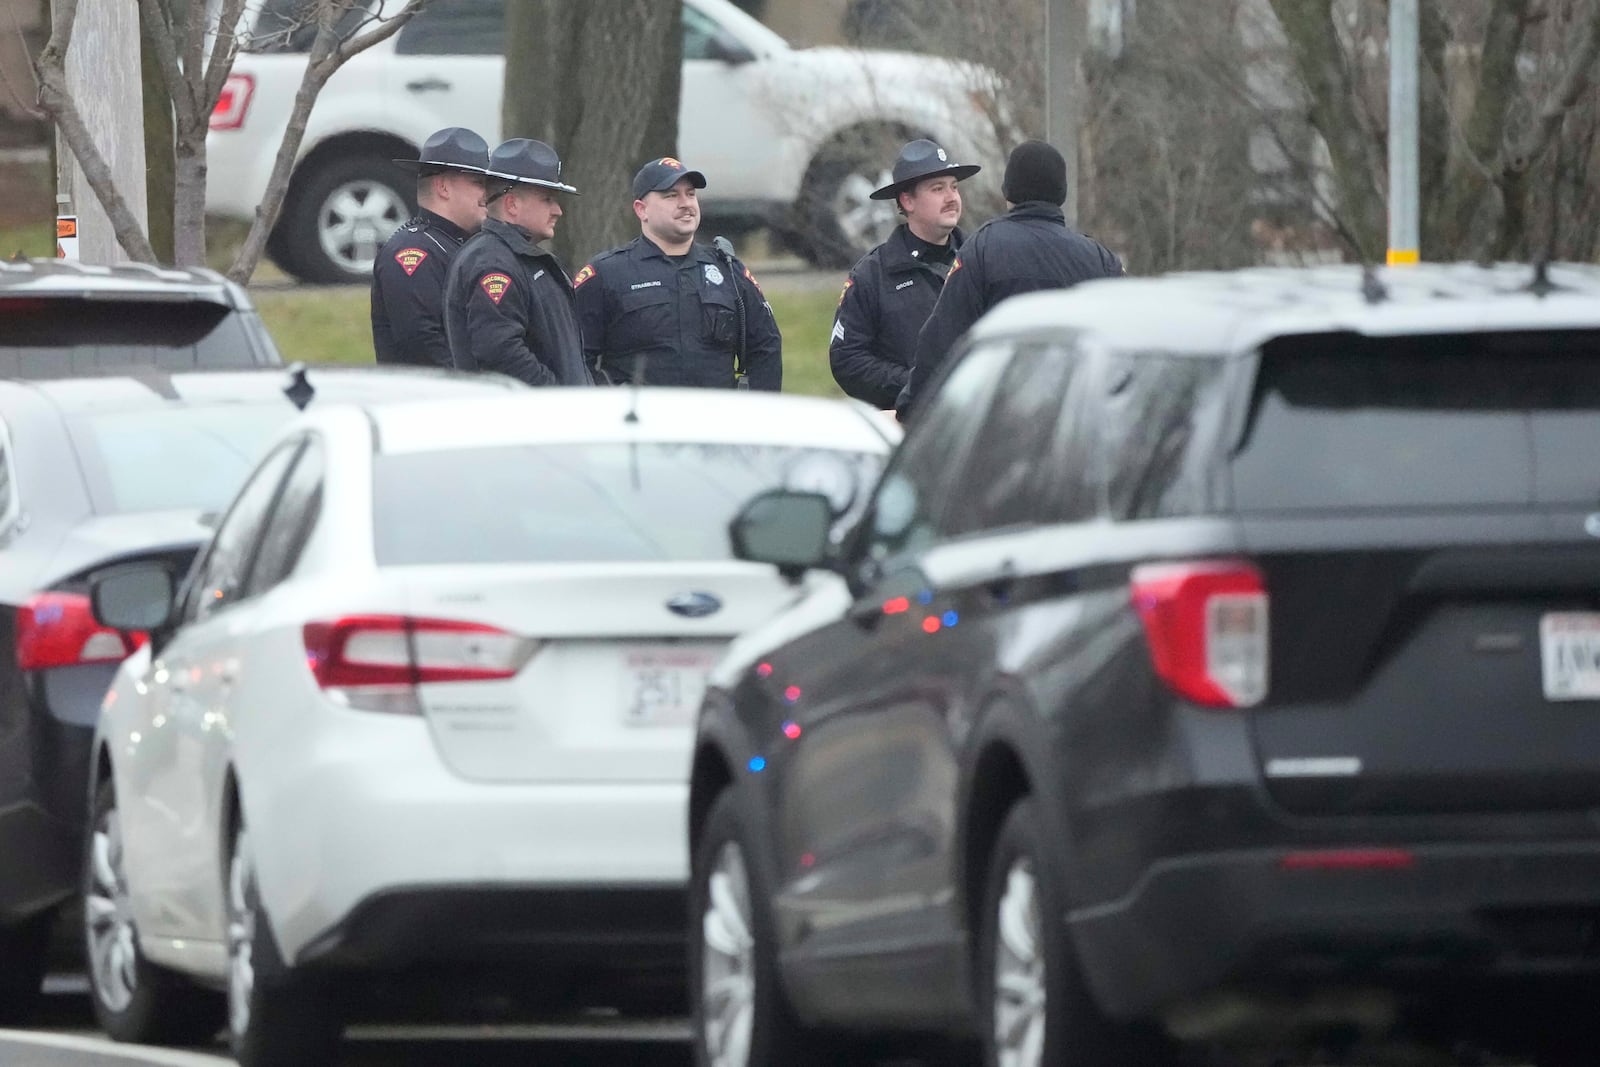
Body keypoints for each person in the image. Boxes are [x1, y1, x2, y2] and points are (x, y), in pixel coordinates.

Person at [898, 139, 1124, 420]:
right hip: (1075, 416)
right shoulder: (1100, 259)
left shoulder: (983, 248)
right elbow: (1122, 345)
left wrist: (910, 410)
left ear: (1008, 192)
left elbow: (942, 339)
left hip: (1003, 417)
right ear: (1061, 193)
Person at [573, 157, 781, 390]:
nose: (685, 203)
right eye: (671, 195)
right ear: (641, 210)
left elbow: (766, 347)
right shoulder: (606, 274)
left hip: (717, 420)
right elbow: (576, 357)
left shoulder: (729, 271)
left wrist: (756, 416)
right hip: (641, 422)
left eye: (690, 194)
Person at [829, 139, 979, 409]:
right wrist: (915, 385)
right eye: (937, 189)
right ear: (907, 200)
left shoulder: (980, 261)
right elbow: (847, 359)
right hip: (907, 426)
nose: (951, 198)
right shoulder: (872, 275)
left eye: (954, 187)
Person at [444, 139, 591, 387]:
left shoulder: (521, 259)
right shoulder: (492, 263)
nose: (558, 210)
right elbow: (500, 353)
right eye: (547, 199)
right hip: (527, 420)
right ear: (512, 204)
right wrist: (558, 398)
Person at [371, 127, 490, 368]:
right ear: (443, 187)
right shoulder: (414, 252)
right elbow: (425, 348)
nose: (489, 194)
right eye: (479, 183)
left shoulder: (457, 245)